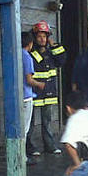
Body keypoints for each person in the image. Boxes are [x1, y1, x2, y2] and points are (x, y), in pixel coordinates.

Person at [27, 21, 67, 156]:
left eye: (45, 36)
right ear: (34, 38)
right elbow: (38, 63)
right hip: (34, 91)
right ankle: (30, 148)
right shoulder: (31, 53)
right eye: (39, 36)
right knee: (30, 123)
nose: (42, 39)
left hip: (49, 92)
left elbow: (61, 61)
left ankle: (50, 146)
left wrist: (54, 46)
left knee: (47, 122)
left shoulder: (52, 52)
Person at [22, 32, 45, 165]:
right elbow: (29, 80)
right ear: (30, 44)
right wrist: (40, 84)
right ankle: (22, 157)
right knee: (24, 129)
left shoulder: (15, 54)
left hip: (17, 96)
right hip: (26, 96)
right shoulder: (27, 57)